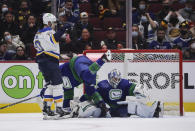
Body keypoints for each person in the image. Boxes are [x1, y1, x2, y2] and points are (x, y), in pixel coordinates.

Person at [69, 69, 163, 118]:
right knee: (92, 109)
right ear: (110, 78)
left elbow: (132, 88)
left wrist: (138, 89)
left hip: (119, 109)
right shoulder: (103, 84)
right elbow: (92, 94)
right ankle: (77, 110)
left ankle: (153, 111)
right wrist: (82, 100)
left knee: (133, 106)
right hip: (105, 109)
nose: (117, 80)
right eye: (115, 78)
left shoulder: (124, 83)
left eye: (118, 78)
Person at [33, 13, 71, 120]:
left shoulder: (38, 33)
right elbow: (54, 38)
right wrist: (63, 29)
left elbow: (53, 42)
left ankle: (47, 108)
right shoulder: (48, 32)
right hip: (49, 61)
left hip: (42, 62)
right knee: (58, 85)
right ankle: (59, 108)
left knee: (50, 86)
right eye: (53, 23)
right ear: (49, 22)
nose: (55, 25)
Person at [55, 50, 112, 117]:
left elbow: (67, 94)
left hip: (78, 62)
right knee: (89, 88)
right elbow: (90, 91)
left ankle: (102, 59)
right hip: (88, 64)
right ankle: (102, 60)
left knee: (86, 77)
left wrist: (66, 108)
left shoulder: (62, 72)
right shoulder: (65, 80)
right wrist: (101, 103)